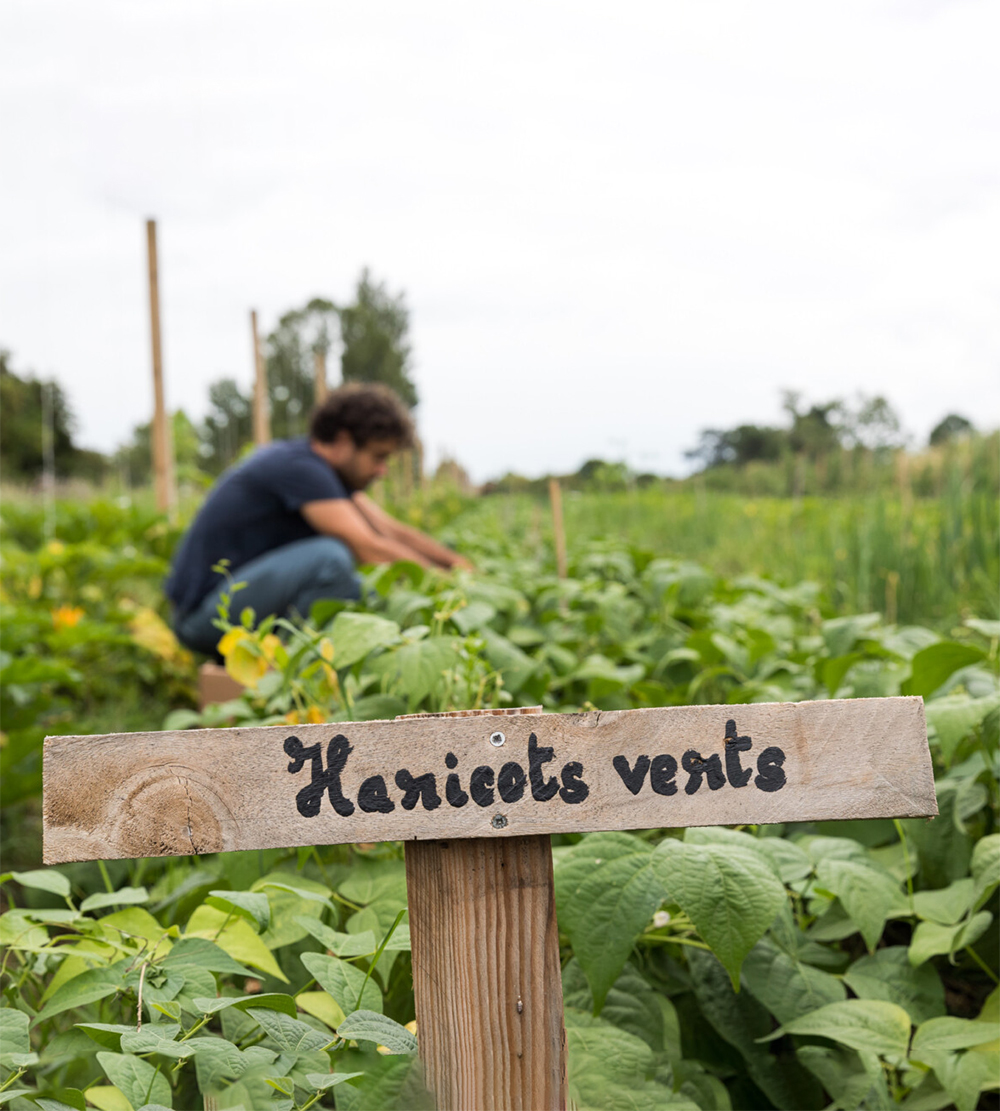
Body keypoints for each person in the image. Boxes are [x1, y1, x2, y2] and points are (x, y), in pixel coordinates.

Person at [166, 383, 470, 656]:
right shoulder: (302, 469)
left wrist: (458, 567)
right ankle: (288, 671)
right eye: (378, 457)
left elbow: (391, 532)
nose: (382, 471)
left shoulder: (328, 476)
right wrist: (447, 588)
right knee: (331, 559)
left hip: (239, 603)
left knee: (358, 587)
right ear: (343, 441)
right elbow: (370, 548)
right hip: (204, 616)